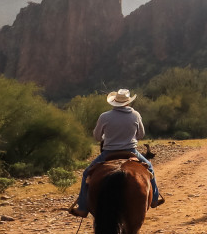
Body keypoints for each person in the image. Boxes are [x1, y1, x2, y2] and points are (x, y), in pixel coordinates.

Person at [69, 89, 165, 217]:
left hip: (108, 152)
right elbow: (141, 135)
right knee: (150, 169)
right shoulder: (135, 115)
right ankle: (154, 199)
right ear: (128, 101)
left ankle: (82, 207)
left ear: (114, 102)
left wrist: (108, 137)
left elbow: (97, 137)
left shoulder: (104, 116)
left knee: (87, 173)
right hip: (131, 152)